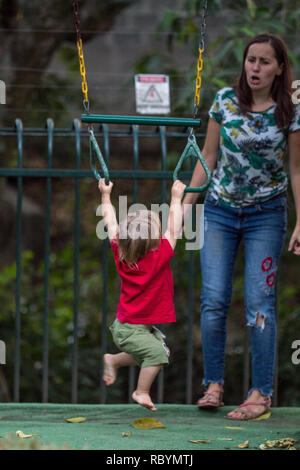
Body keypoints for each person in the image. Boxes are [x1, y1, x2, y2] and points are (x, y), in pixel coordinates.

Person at [182, 33, 300, 420]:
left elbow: (296, 169)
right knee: (213, 300)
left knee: (259, 304)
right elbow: (209, 156)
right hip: (219, 211)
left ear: (280, 68)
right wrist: (186, 204)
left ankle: (261, 392)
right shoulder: (224, 101)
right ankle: (213, 384)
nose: (256, 68)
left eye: (265, 62)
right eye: (251, 60)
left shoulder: (291, 110)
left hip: (267, 214)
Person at [98, 178, 186, 411]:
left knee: (159, 351)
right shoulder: (160, 256)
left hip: (127, 326)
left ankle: (114, 360)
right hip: (131, 328)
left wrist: (105, 196)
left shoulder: (120, 252)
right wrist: (176, 198)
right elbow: (175, 228)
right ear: (154, 242)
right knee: (157, 355)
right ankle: (141, 391)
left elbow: (109, 220)